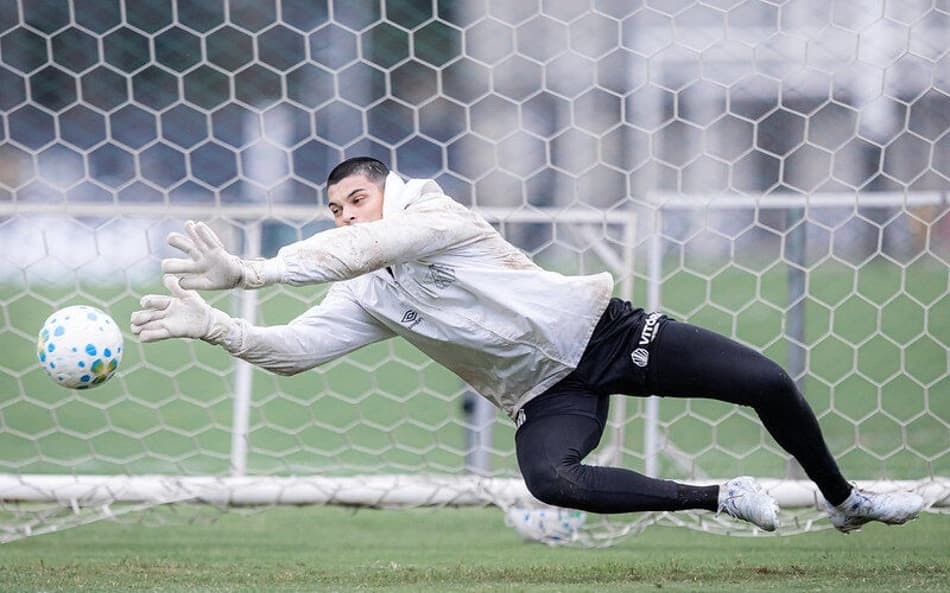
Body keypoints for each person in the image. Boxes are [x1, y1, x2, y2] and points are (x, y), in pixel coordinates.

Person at [131, 156, 925, 533]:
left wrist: (248, 269)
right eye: (335, 208)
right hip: (546, 395)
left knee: (767, 381)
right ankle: (719, 496)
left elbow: (365, 249)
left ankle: (845, 498)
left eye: (356, 199)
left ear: (389, 190)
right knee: (549, 480)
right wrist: (217, 326)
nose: (346, 216)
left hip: (605, 334)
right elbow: (297, 351)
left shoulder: (433, 214)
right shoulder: (367, 287)